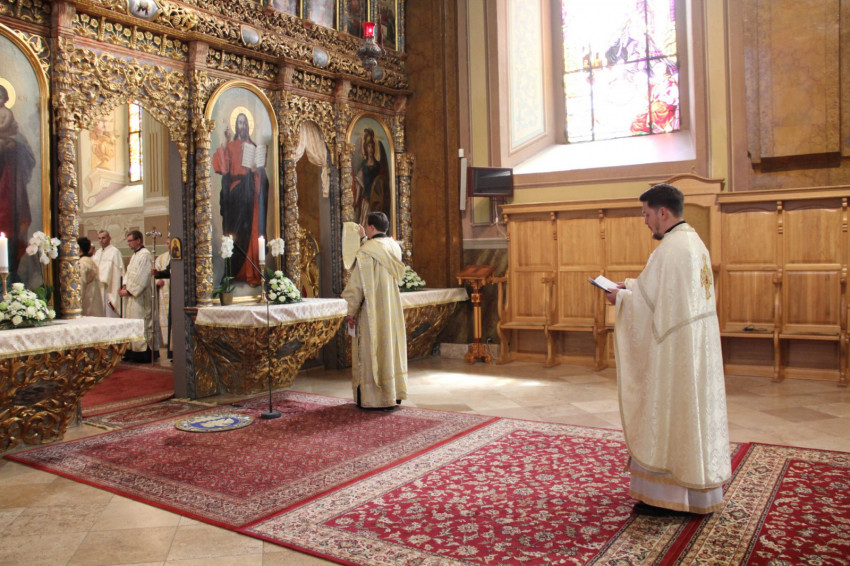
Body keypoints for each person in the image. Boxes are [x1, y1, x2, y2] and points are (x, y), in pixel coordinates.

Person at [604, 183, 730, 516]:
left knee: (670, 416)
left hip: (675, 355)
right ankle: (696, 494)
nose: (645, 221)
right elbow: (666, 294)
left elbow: (652, 308)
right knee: (691, 418)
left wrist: (620, 299)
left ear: (662, 212)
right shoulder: (694, 243)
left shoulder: (670, 249)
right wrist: (631, 286)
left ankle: (669, 499)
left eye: (646, 214)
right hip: (694, 350)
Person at [341, 211, 407, 409]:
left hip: (372, 309)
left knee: (373, 349)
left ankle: (374, 398)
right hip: (391, 308)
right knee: (390, 347)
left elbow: (358, 285)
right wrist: (364, 239)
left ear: (371, 227)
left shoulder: (366, 252)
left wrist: (350, 310)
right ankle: (393, 394)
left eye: (367, 227)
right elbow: (378, 252)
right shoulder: (394, 247)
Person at [211, 112, 269, 286]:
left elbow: (262, 179)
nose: (242, 126)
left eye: (244, 123)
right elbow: (220, 167)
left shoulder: (253, 146)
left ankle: (251, 273)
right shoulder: (230, 146)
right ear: (236, 126)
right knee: (236, 232)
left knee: (252, 231)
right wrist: (225, 141)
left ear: (248, 126)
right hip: (236, 194)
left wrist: (257, 170)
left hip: (250, 193)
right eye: (239, 123)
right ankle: (235, 272)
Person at [0, 84, 35, 285]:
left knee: (10, 225)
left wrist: (11, 146)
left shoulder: (14, 130)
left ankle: (12, 271)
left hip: (9, 188)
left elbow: (28, 156)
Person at [119, 230, 156, 362]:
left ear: (138, 240)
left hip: (140, 297)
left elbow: (143, 276)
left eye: (130, 241)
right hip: (131, 297)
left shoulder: (145, 255)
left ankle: (142, 352)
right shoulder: (135, 255)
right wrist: (124, 285)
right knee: (132, 322)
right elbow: (128, 273)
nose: (128, 243)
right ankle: (132, 351)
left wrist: (129, 291)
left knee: (141, 322)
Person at [352, 128, 389, 227]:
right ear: (365, 148)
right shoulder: (363, 166)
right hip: (367, 202)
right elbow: (359, 185)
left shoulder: (379, 166)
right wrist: (356, 201)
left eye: (372, 146)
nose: (371, 149)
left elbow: (383, 185)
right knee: (366, 225)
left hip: (377, 205)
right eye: (369, 146)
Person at [92, 230, 125, 318]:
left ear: (109, 238)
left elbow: (119, 273)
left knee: (110, 315)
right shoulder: (98, 253)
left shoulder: (115, 252)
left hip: (109, 289)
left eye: (103, 238)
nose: (101, 240)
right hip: (98, 288)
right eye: (99, 238)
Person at [152, 247, 172, 359]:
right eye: (167, 243)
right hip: (164, 291)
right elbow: (167, 271)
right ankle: (169, 347)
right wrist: (157, 275)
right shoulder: (162, 257)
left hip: (174, 290)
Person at [77, 237, 104, 316]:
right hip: (95, 302)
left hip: (87, 304)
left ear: (79, 249)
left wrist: (77, 303)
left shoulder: (82, 263)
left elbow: (80, 285)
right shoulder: (91, 261)